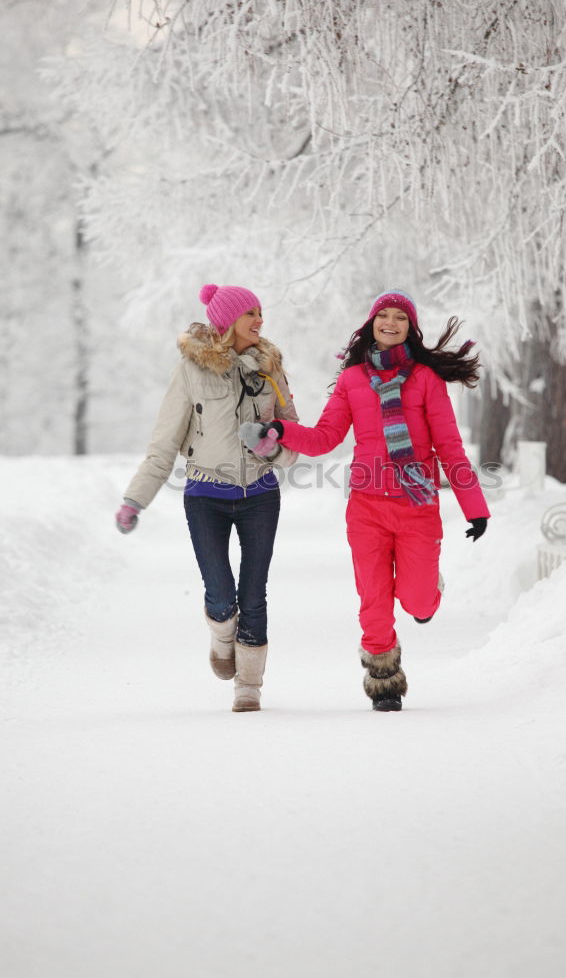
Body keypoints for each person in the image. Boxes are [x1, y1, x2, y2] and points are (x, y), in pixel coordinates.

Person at [241, 289, 489, 712]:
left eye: (399, 317)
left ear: (411, 328)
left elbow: (449, 447)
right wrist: (282, 430)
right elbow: (324, 438)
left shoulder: (426, 379)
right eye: (382, 316)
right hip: (367, 507)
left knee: (417, 600)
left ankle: (428, 589)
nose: (389, 323)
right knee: (373, 602)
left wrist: (475, 507)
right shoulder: (353, 379)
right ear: (371, 323)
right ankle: (384, 680)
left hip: (417, 506)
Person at [115, 284, 299, 712]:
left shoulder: (269, 367)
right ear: (227, 320)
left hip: (260, 495)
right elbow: (164, 443)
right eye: (250, 313)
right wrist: (135, 500)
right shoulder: (191, 370)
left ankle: (249, 686)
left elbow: (295, 437)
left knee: (255, 592)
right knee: (221, 594)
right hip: (204, 496)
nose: (260, 320)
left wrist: (272, 445)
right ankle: (221, 633)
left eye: (260, 312)